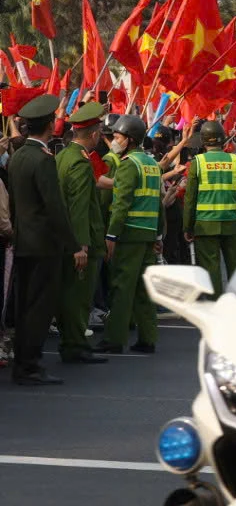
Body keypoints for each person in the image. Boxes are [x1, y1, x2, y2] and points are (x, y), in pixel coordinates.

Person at [10, 95, 75, 384]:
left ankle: (22, 361)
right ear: (50, 125)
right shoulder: (43, 159)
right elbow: (55, 207)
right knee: (39, 307)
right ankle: (30, 365)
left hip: (23, 240)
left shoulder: (19, 155)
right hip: (44, 244)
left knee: (24, 304)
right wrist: (73, 244)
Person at [96, 116, 163, 354]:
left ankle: (114, 339)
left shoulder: (128, 164)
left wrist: (111, 236)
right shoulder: (152, 164)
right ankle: (147, 338)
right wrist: (158, 236)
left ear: (130, 140)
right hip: (148, 233)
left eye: (117, 137)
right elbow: (159, 204)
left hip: (129, 234)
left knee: (121, 287)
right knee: (144, 289)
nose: (114, 141)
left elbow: (121, 203)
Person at [55, 102, 109, 365]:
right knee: (79, 297)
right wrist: (82, 246)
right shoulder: (78, 161)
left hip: (67, 239)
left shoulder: (64, 156)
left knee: (71, 294)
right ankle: (75, 344)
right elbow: (78, 207)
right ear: (94, 134)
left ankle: (73, 341)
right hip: (81, 240)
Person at [183, 120, 236, 297]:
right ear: (223, 140)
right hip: (231, 223)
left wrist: (188, 226)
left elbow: (190, 198)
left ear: (203, 140)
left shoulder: (198, 162)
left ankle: (216, 307)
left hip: (205, 225)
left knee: (211, 269)